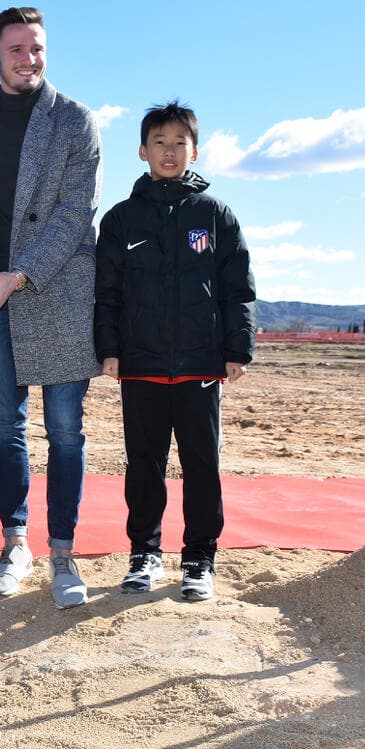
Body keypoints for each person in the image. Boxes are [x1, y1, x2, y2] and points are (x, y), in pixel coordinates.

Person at [0, 7, 102, 609]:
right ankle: (14, 542)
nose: (29, 59)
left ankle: (63, 553)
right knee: (5, 426)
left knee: (66, 432)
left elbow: (76, 214)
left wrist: (19, 275)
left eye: (37, 48)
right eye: (16, 49)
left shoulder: (76, 120)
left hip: (56, 293)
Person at [94, 102, 256, 601]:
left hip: (200, 366)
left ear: (195, 151)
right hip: (140, 366)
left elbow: (237, 289)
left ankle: (198, 559)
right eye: (159, 142)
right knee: (144, 464)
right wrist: (110, 348)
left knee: (201, 465)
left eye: (179, 142)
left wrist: (238, 348)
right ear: (143, 151)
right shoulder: (121, 220)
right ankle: (144, 554)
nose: (169, 151)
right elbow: (107, 293)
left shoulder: (215, 215)